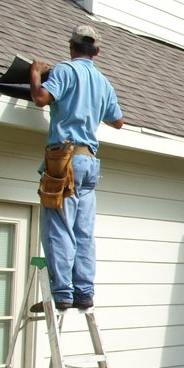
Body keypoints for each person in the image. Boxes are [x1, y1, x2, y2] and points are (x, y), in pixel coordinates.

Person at [29, 24, 124, 311]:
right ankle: (84, 291)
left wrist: (35, 74)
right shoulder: (104, 83)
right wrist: (90, 107)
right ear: (97, 51)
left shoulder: (64, 71)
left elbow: (41, 98)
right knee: (83, 230)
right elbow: (117, 121)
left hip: (64, 159)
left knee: (59, 226)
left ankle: (62, 293)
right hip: (89, 161)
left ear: (71, 46)